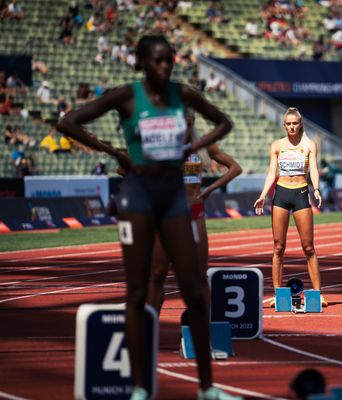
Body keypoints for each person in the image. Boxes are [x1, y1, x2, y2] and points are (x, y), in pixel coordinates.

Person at [56, 35, 238, 400]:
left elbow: (224, 122)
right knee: (138, 290)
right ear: (141, 62)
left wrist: (193, 146)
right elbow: (68, 121)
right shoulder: (126, 96)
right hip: (138, 196)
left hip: (173, 198)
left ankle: (208, 388)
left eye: (169, 60)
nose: (165, 66)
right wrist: (114, 152)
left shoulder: (182, 94)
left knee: (195, 290)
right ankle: (140, 387)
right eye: (157, 61)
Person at [147, 108, 242, 314]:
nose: (186, 122)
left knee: (199, 275)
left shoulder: (205, 145)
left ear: (194, 120)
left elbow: (235, 168)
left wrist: (210, 189)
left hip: (194, 211)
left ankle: (204, 330)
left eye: (190, 119)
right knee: (157, 274)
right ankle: (149, 326)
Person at [254, 107, 326, 307]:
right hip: (281, 194)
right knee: (278, 247)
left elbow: (313, 169)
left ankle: (318, 293)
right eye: (289, 124)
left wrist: (317, 189)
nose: (292, 127)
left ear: (300, 124)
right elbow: (271, 172)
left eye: (295, 123)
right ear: (284, 125)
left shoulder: (309, 145)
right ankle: (279, 294)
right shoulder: (277, 145)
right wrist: (262, 195)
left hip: (301, 193)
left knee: (308, 247)